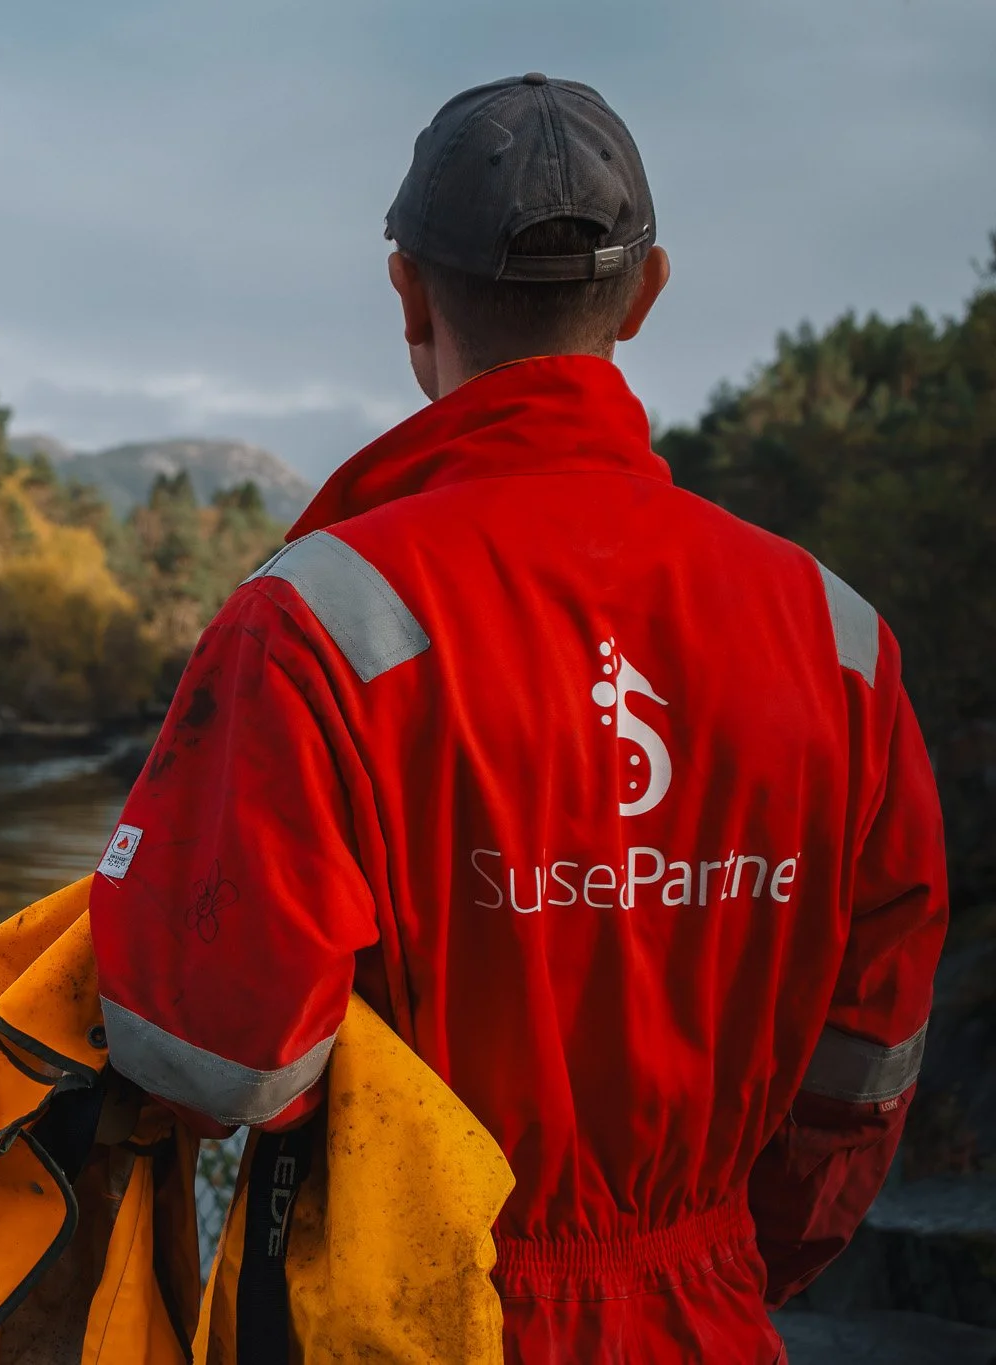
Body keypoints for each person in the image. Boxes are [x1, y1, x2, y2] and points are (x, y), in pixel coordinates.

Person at [88, 74, 948, 1363]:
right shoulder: (841, 640)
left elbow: (216, 1060)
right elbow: (867, 1058)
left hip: (403, 1327)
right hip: (709, 1314)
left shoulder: (316, 621)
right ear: (647, 295)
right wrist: (709, 1257)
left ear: (408, 295)